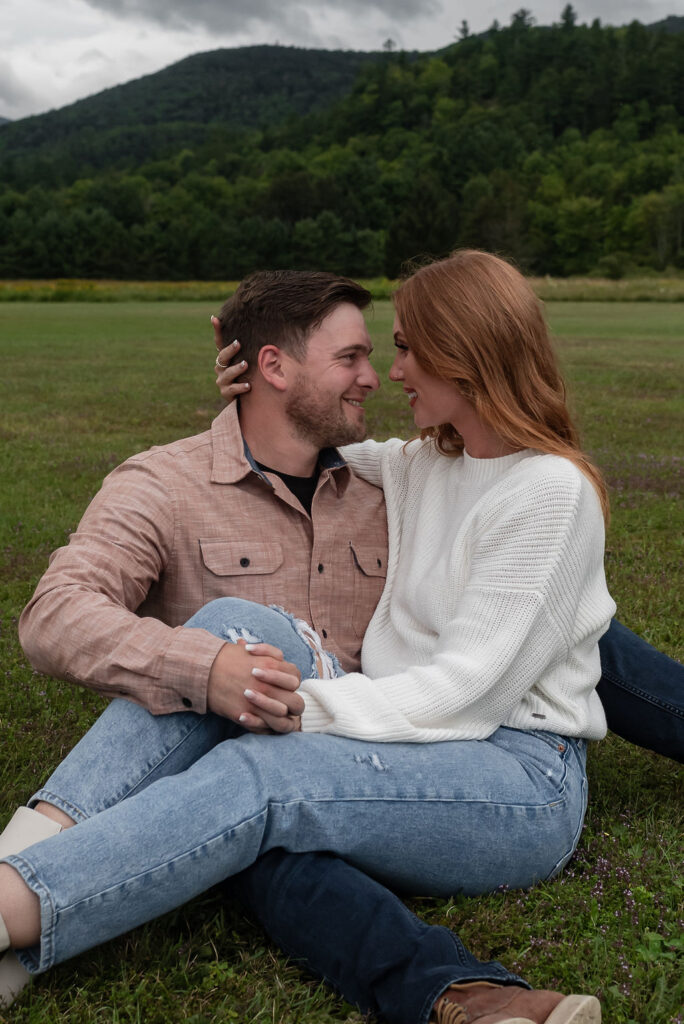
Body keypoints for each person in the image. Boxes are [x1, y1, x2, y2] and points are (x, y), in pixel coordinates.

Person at [0, 260, 680, 1024]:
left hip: (508, 761)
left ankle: (12, 901)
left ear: (467, 354)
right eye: (358, 357)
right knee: (239, 632)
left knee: (262, 772)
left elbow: (472, 691)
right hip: (404, 738)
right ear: (272, 367)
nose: (385, 376)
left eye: (401, 350)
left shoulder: (541, 491)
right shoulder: (419, 466)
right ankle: (461, 999)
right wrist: (261, 390)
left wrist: (278, 705)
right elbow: (282, 440)